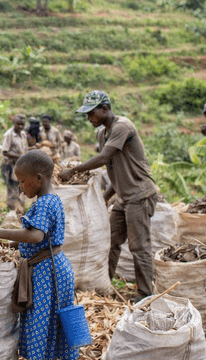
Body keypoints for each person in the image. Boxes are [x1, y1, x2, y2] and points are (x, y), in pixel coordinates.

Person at [0, 150, 79, 360]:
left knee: (45, 331)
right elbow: (35, 236)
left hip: (49, 275)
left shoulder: (46, 202)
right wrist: (10, 242)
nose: (20, 187)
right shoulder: (50, 200)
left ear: (38, 178)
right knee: (49, 330)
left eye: (23, 182)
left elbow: (35, 237)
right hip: (52, 270)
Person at [58, 91, 159, 300]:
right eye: (86, 115)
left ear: (104, 109)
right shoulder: (102, 133)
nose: (89, 118)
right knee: (110, 241)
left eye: (91, 113)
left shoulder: (122, 126)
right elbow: (113, 168)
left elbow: (104, 158)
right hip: (123, 196)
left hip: (139, 195)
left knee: (139, 247)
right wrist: (104, 198)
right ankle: (103, 286)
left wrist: (72, 171)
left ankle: (145, 294)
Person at [0, 114, 28, 213]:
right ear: (14, 123)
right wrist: (20, 157)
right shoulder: (8, 135)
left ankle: (20, 209)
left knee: (20, 188)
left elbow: (25, 149)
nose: (20, 126)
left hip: (20, 165)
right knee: (12, 189)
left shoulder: (24, 134)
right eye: (18, 124)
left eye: (22, 124)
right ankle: (13, 212)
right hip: (9, 166)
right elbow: (5, 152)